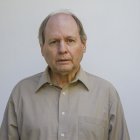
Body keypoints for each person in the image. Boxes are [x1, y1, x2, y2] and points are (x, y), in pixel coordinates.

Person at [0, 10, 130, 140]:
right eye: (54, 42)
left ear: (83, 45)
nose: (62, 49)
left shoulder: (106, 94)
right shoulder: (21, 93)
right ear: (42, 48)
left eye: (70, 40)